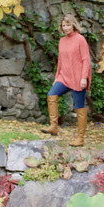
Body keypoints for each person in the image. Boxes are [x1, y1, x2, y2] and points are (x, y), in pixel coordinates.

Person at [41, 14, 91, 146]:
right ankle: (53, 126)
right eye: (64, 25)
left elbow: (86, 60)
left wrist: (84, 78)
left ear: (73, 25)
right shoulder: (62, 41)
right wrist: (57, 77)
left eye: (68, 25)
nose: (66, 27)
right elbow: (61, 61)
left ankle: (80, 138)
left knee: (79, 107)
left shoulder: (80, 39)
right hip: (64, 76)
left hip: (78, 77)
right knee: (51, 95)